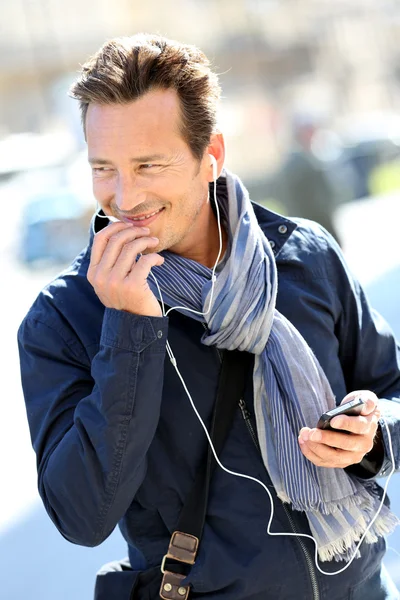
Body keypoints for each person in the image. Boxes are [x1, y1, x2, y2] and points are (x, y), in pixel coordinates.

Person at [17, 34, 400, 600]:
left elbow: (390, 389)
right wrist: (129, 330)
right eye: (104, 168)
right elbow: (81, 516)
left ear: (211, 154)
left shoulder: (304, 255)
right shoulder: (63, 317)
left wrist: (373, 435)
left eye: (149, 164)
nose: (124, 195)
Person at [273, 113, 342, 244]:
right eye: (309, 130)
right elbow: (313, 204)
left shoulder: (303, 157)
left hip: (313, 230)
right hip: (314, 231)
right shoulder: (299, 163)